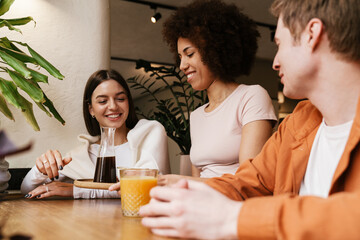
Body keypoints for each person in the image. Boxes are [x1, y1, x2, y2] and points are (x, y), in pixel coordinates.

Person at [139, 0, 360, 239]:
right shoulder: (298, 124)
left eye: (279, 44)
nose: (275, 62)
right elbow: (248, 182)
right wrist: (177, 187)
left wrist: (231, 218)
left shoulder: (254, 98)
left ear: (311, 35)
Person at [158, 0, 277, 185]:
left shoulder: (251, 97)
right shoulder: (196, 116)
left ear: (215, 50)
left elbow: (248, 181)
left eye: (190, 54)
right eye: (180, 57)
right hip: (200, 204)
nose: (182, 66)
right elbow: (197, 179)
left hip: (233, 206)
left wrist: (179, 181)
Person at [21, 69, 170, 199]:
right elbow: (27, 189)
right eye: (103, 101)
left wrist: (78, 190)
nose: (113, 106)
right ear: (91, 109)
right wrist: (40, 170)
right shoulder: (81, 155)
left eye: (120, 99)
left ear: (128, 103)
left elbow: (147, 187)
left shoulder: (150, 133)